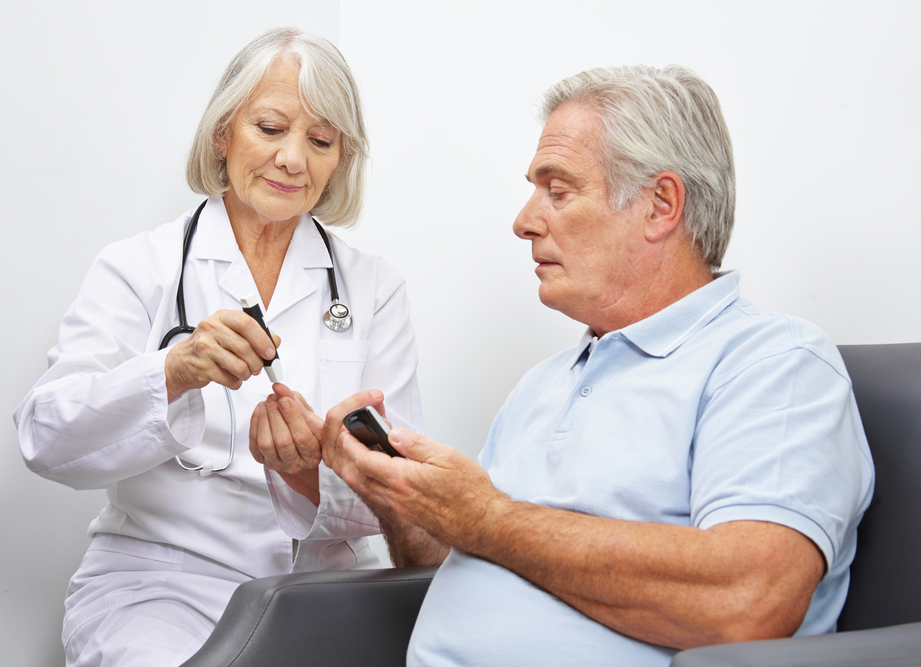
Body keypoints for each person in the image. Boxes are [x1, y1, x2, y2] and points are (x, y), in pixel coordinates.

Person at [311, 65, 874, 666]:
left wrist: (487, 516)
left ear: (660, 206)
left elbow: (749, 600)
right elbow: (472, 561)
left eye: (558, 190)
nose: (524, 221)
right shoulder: (544, 383)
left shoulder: (773, 364)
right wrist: (402, 501)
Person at [13, 27, 423, 666]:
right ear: (222, 133)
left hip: (325, 588)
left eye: (320, 141)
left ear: (340, 159)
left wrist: (304, 473)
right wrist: (170, 373)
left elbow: (402, 495)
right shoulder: (139, 268)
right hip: (161, 587)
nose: (293, 159)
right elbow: (46, 439)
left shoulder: (374, 288)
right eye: (270, 128)